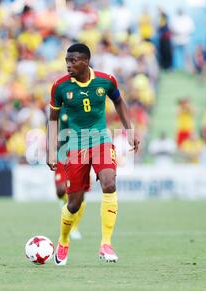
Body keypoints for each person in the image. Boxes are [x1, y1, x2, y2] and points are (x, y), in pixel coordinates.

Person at [47, 43, 140, 265]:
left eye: (73, 61)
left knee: (109, 183)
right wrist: (52, 151)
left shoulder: (106, 80)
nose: (68, 64)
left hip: (100, 139)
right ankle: (63, 241)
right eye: (66, 61)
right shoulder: (60, 87)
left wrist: (129, 130)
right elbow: (52, 119)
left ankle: (105, 244)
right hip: (75, 145)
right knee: (74, 203)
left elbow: (119, 101)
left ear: (85, 61)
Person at [54, 107, 83, 240]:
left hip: (80, 154)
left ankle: (74, 227)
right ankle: (66, 204)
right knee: (60, 190)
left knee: (80, 195)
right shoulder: (60, 108)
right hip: (62, 153)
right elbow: (52, 124)